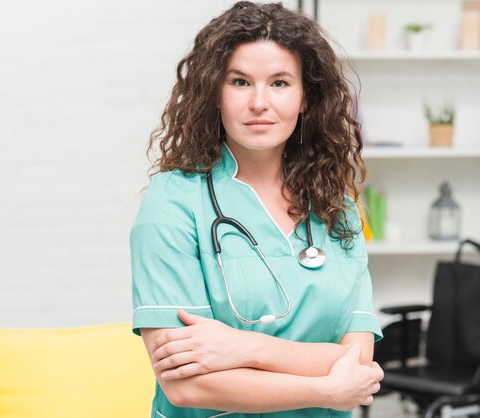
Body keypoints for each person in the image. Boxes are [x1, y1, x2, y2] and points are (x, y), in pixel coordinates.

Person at [130, 2, 384, 417]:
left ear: (306, 98)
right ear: (215, 92)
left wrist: (244, 347)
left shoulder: (336, 206)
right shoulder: (173, 202)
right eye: (240, 82)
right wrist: (326, 389)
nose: (260, 103)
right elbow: (186, 384)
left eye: (280, 83)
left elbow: (359, 363)